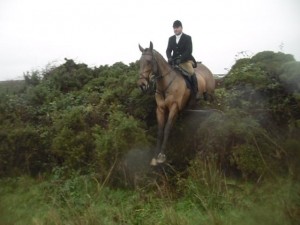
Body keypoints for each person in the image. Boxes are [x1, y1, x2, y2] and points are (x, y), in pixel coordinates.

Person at [166, 20, 199, 100]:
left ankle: (196, 91)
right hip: (174, 61)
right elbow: (168, 50)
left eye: (177, 28)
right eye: (174, 28)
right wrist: (169, 57)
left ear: (181, 28)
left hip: (185, 60)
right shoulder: (171, 39)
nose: (175, 29)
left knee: (191, 72)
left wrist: (181, 59)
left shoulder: (187, 38)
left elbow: (189, 51)